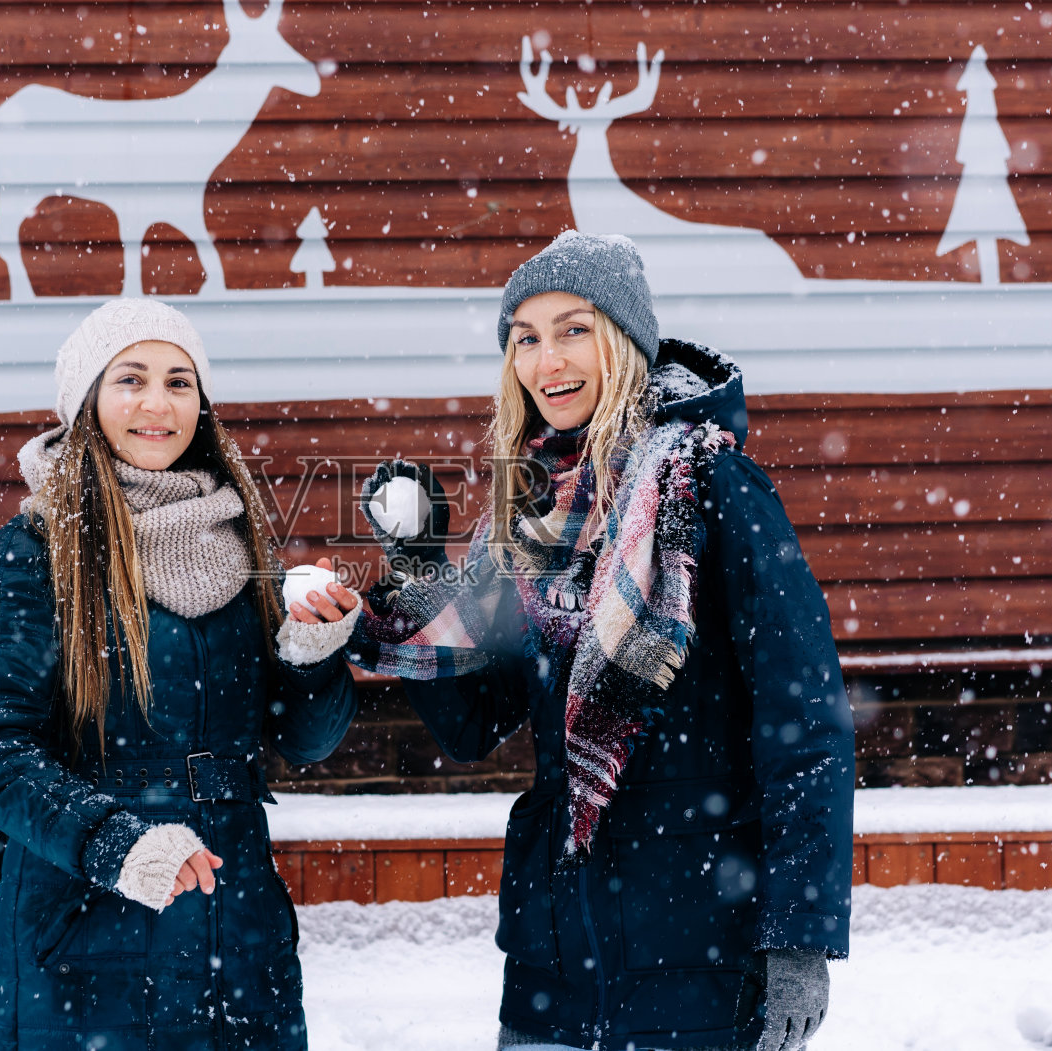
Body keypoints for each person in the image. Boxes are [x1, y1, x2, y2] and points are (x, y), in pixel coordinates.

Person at [347, 232, 855, 1051]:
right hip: (555, 963)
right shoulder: (527, 518)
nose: (549, 359)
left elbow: (806, 725)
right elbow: (475, 717)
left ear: (624, 339)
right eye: (526, 337)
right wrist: (416, 566)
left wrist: (799, 932)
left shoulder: (712, 485)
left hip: (699, 946)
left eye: (574, 328)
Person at [0, 298, 362, 1051]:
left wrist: (313, 656)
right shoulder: (33, 553)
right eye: (130, 379)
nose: (157, 403)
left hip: (237, 933)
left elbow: (301, 741)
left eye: (179, 382)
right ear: (87, 402)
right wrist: (114, 839)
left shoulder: (239, 541)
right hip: (86, 934)